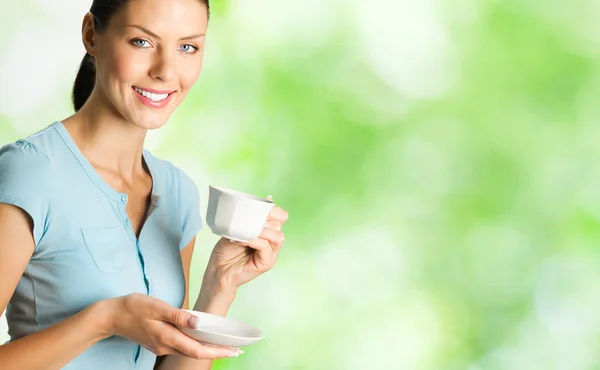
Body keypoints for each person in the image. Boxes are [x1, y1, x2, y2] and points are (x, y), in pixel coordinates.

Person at [0, 0, 289, 369]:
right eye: (142, 42)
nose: (166, 71)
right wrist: (103, 320)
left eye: (188, 47)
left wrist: (220, 285)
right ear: (92, 35)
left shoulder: (178, 194)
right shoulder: (31, 172)